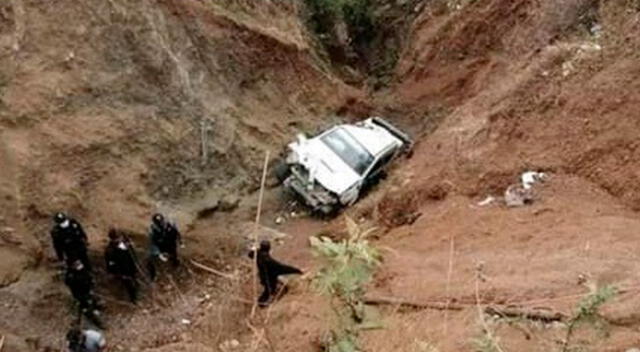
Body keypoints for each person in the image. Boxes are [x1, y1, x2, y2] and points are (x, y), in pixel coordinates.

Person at [249, 240, 302, 307]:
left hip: (262, 277)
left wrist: (254, 249)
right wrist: (297, 270)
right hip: (269, 279)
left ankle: (261, 303)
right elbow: (282, 268)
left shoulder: (258, 255)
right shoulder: (269, 261)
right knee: (270, 292)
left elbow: (250, 255)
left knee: (268, 290)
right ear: (269, 248)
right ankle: (264, 304)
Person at [64, 260, 102, 328]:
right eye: (76, 264)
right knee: (86, 306)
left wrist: (91, 284)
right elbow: (70, 283)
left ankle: (95, 310)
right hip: (80, 294)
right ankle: (95, 320)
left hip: (88, 290)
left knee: (92, 302)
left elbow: (88, 277)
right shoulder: (70, 275)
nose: (79, 266)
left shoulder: (82, 270)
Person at [104, 229, 139, 303]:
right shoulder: (110, 250)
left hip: (130, 268)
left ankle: (136, 295)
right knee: (129, 286)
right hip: (122, 271)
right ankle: (133, 300)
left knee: (135, 282)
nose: (119, 239)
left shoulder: (124, 245)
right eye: (117, 238)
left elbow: (132, 256)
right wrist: (118, 273)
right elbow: (111, 263)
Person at [146, 213, 182, 280]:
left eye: (161, 221)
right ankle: (152, 275)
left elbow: (176, 233)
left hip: (169, 244)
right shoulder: (152, 230)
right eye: (158, 223)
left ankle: (175, 264)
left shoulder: (169, 225)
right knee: (150, 259)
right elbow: (152, 243)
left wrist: (180, 242)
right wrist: (159, 254)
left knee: (173, 254)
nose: (161, 223)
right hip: (160, 246)